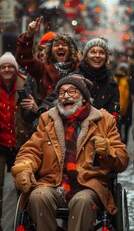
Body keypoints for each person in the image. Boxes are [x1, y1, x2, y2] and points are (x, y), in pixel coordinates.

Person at [11, 75, 129, 231]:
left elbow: (122, 159)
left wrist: (108, 151)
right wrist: (24, 168)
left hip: (88, 185)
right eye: (61, 92)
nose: (66, 95)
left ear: (84, 97)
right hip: (53, 183)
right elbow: (31, 149)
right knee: (38, 196)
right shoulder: (47, 119)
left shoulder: (104, 120)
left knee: (82, 200)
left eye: (72, 91)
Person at [0, 52, 40, 231]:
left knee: (22, 184)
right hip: (1, 143)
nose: (7, 70)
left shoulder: (25, 85)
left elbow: (30, 115)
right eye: (3, 67)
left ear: (16, 69)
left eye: (10, 67)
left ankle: (21, 222)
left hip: (20, 142)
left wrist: (34, 108)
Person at [16, 16, 80, 101]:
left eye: (64, 44)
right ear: (50, 50)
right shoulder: (42, 68)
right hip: (47, 113)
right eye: (56, 45)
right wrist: (29, 35)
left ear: (70, 49)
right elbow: (23, 58)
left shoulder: (79, 68)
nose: (60, 47)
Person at [114, 62, 132, 144]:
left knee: (125, 128)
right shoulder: (113, 80)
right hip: (117, 110)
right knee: (118, 128)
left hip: (127, 109)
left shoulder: (128, 81)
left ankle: (124, 143)